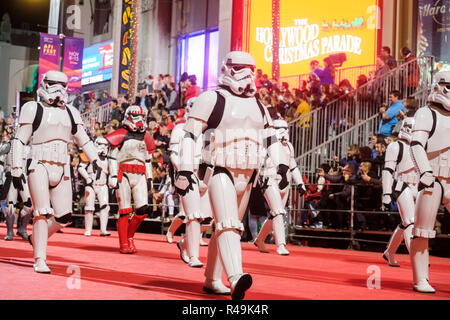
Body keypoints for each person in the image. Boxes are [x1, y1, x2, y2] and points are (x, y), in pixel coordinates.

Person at [175, 51, 289, 300]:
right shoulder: (212, 99)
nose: (246, 75)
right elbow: (191, 134)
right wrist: (185, 168)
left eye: (250, 69)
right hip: (219, 168)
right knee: (228, 224)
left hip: (248, 173)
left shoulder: (259, 106)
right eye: (239, 68)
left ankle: (213, 279)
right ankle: (236, 277)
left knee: (225, 228)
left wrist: (281, 166)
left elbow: (271, 138)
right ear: (227, 69)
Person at [12, 71, 101, 273]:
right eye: (53, 84)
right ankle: (40, 259)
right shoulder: (32, 108)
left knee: (64, 216)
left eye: (63, 85)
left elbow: (83, 139)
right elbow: (20, 139)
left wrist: (96, 159)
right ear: (45, 84)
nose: (58, 89)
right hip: (39, 163)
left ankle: (36, 238)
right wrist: (17, 168)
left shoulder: (71, 112)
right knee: (41, 212)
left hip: (62, 166)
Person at [409, 71, 450, 293]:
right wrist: (424, 172)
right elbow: (416, 145)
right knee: (422, 231)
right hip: (432, 178)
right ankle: (420, 278)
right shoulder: (426, 113)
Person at [105, 105, 156, 254]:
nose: (139, 120)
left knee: (143, 210)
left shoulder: (146, 137)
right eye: (135, 116)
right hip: (123, 174)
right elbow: (112, 157)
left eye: (142, 117)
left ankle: (130, 236)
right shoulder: (120, 135)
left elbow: (147, 160)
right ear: (128, 117)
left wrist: (150, 177)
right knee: (124, 211)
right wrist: (113, 175)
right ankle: (123, 243)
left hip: (140, 174)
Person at [252, 119, 306, 255]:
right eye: (280, 127)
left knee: (275, 214)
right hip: (269, 179)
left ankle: (259, 240)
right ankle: (281, 244)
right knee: (278, 211)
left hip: (284, 182)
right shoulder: (266, 143)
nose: (284, 130)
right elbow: (259, 160)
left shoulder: (289, 146)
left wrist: (300, 183)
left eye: (286, 128)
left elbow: (292, 165)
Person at [381, 117, 418, 267]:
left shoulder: (419, 147)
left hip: (418, 186)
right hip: (402, 185)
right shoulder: (395, 146)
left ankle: (389, 252)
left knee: (406, 223)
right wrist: (386, 193)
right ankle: (417, 259)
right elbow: (388, 171)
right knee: (410, 222)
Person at [77, 137, 111, 237]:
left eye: (105, 145)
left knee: (105, 206)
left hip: (102, 184)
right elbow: (80, 167)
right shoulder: (89, 156)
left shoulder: (108, 158)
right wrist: (87, 177)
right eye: (101, 144)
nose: (103, 147)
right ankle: (88, 229)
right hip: (91, 184)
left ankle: (103, 230)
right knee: (89, 207)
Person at [2, 136, 32, 241]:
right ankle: (10, 231)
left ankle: (22, 229)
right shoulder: (8, 145)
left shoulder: (29, 147)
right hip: (10, 174)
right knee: (11, 204)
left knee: (29, 204)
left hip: (23, 176)